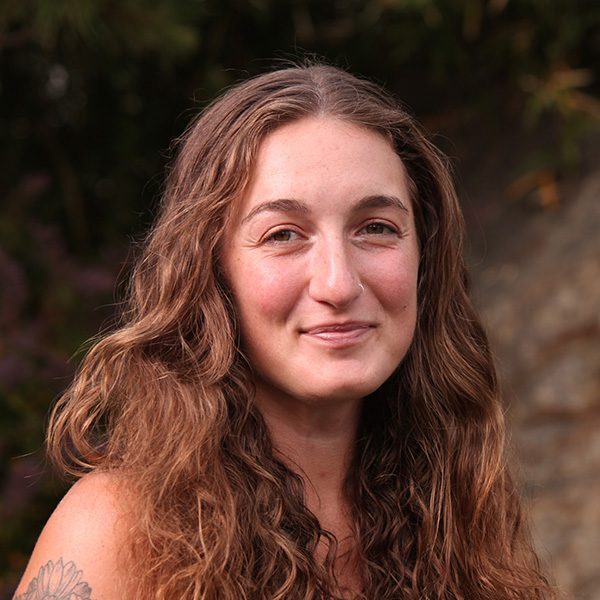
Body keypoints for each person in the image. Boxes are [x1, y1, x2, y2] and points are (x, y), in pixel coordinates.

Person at [14, 63, 555, 599]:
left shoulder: (458, 515)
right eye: (283, 235)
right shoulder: (118, 531)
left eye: (376, 228)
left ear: (424, 258)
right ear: (210, 270)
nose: (338, 284)